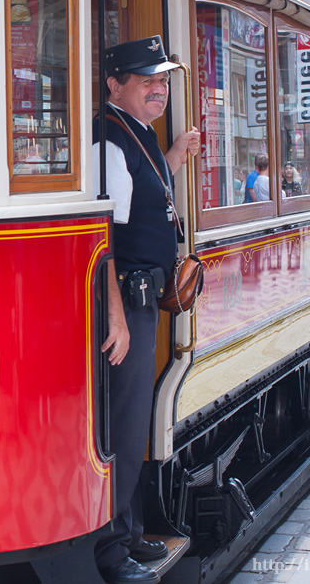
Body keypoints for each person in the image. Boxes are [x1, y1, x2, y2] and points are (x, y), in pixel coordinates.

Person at [92, 35, 200, 584]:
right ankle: (112, 552)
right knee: (126, 428)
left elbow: (146, 197)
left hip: (140, 298)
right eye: (147, 81)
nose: (159, 89)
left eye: (162, 81)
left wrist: (175, 156)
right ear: (115, 85)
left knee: (134, 423)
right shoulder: (111, 137)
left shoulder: (137, 134)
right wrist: (114, 313)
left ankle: (131, 536)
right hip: (126, 303)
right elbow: (104, 234)